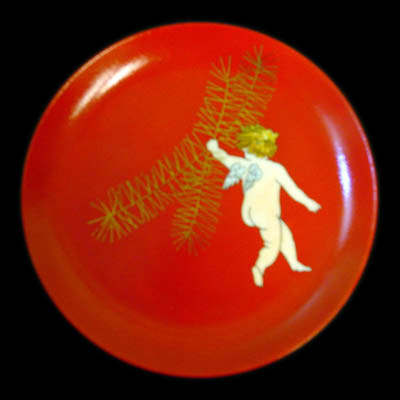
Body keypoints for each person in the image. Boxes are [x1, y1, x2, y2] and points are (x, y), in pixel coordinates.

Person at [206, 125, 321, 287]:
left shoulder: (242, 164)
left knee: (284, 233)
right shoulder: (275, 169)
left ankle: (294, 263)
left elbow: (223, 157)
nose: (243, 149)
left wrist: (213, 148)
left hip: (249, 213)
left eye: (245, 145)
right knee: (272, 245)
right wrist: (309, 203)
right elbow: (293, 190)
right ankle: (259, 268)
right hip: (266, 215)